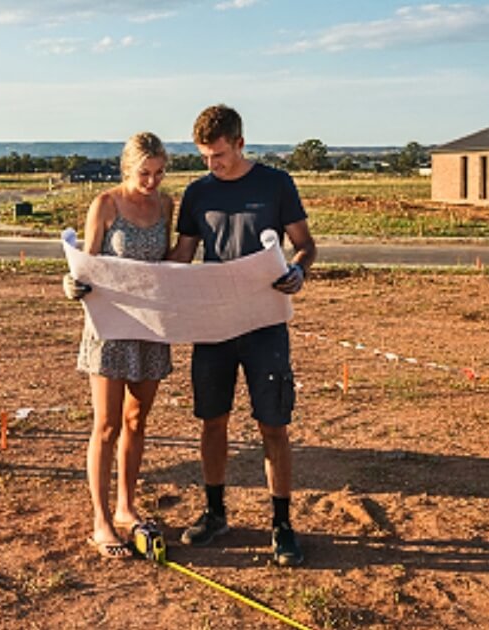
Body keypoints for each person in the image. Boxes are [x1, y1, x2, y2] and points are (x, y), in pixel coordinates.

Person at [167, 104, 316, 567]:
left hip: (265, 326)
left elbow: (306, 245)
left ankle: (282, 523)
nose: (213, 165)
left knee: (273, 425)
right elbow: (182, 257)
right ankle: (215, 514)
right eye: (205, 157)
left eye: (220, 156)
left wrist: (298, 270)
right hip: (213, 325)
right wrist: (118, 276)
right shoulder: (197, 194)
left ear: (240, 144)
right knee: (212, 420)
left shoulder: (276, 185)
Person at [63, 131, 175, 559]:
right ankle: (101, 520)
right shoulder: (105, 204)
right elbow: (85, 263)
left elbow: (167, 262)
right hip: (109, 326)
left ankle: (126, 507)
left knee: (136, 419)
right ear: (126, 168)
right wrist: (70, 284)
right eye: (144, 173)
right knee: (106, 425)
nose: (152, 181)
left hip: (150, 326)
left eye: (160, 173)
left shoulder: (166, 204)